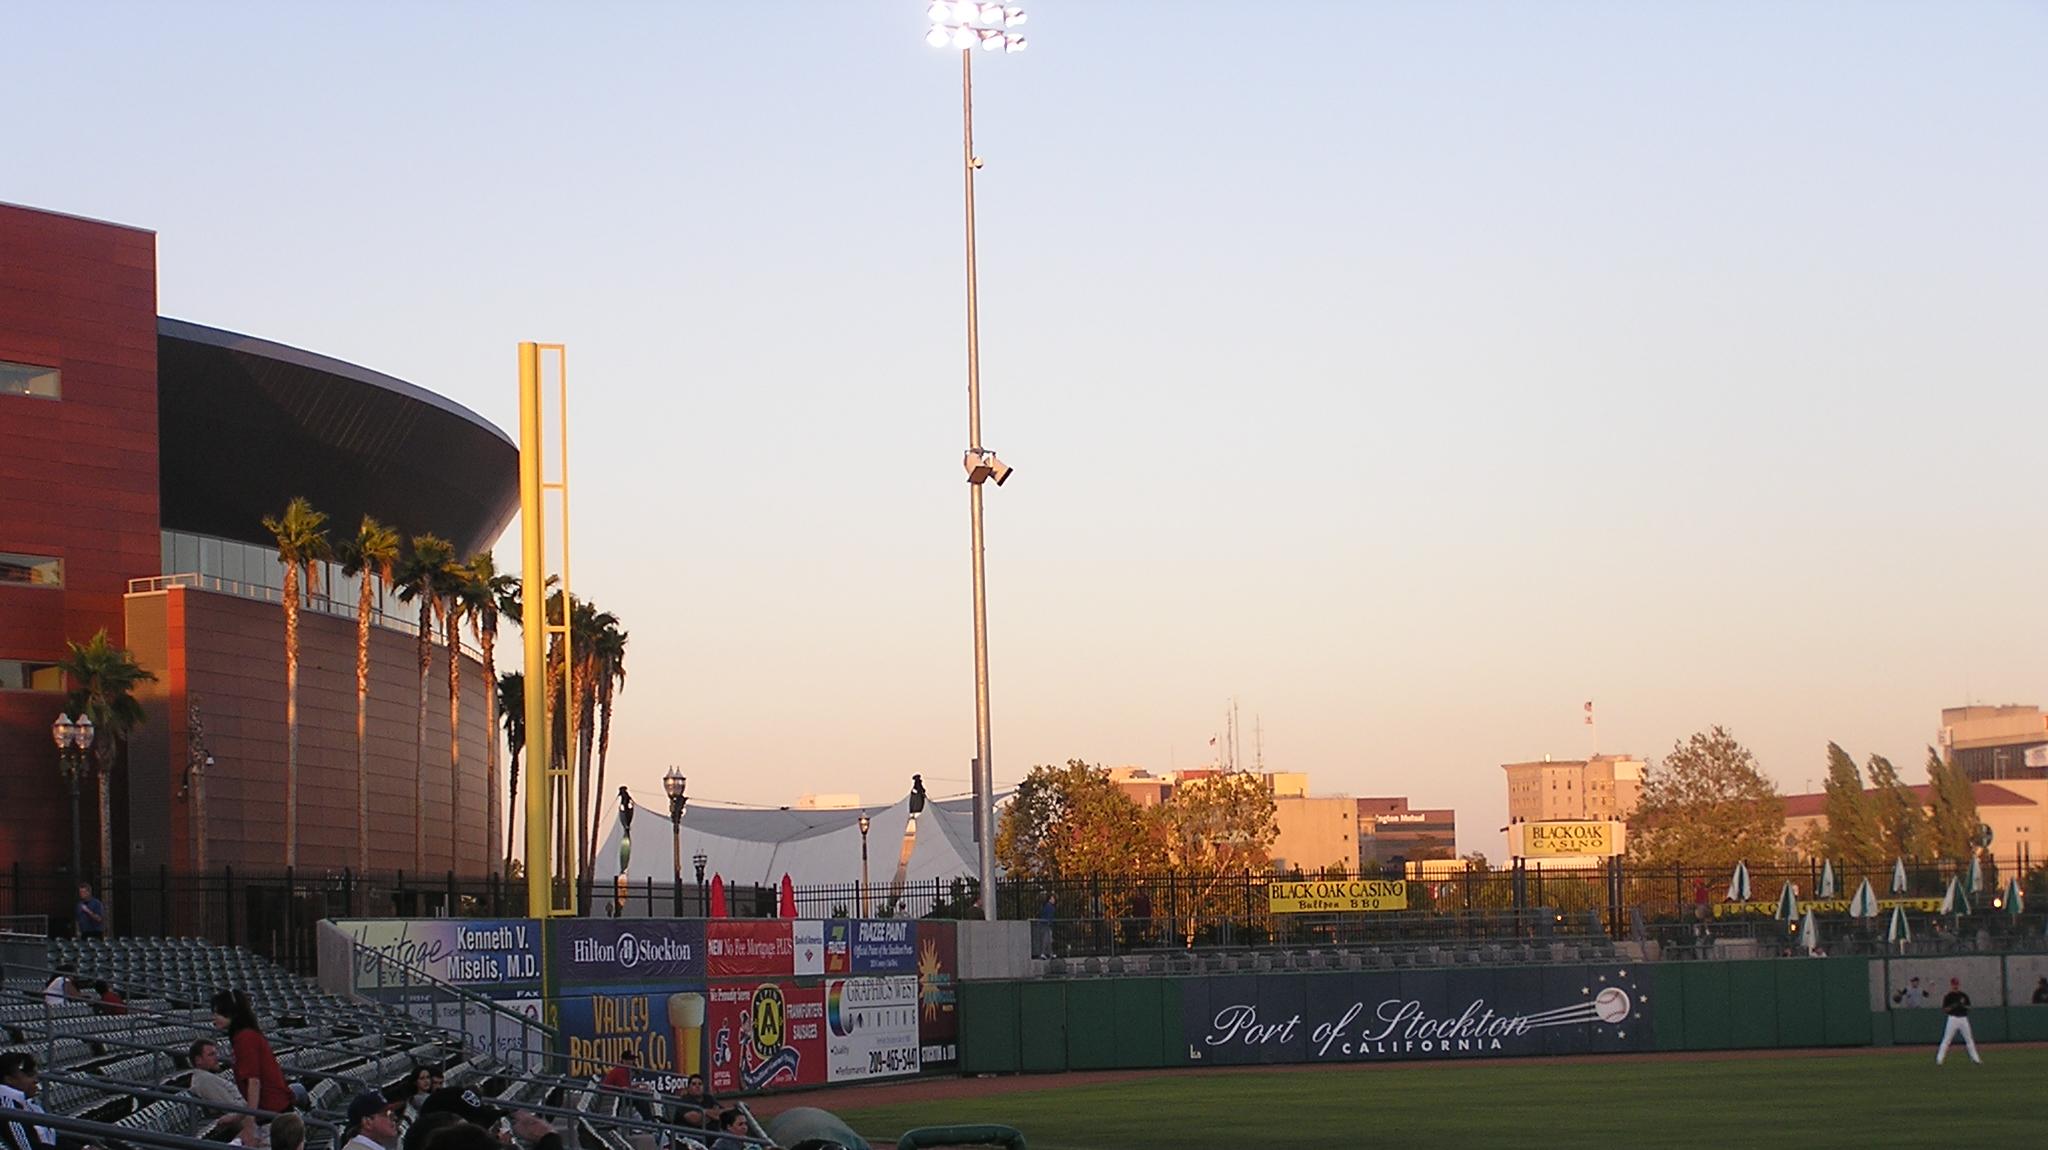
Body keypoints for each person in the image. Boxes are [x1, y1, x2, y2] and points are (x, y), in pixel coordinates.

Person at [212, 990, 291, 1147]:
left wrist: (248, 1128)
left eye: (218, 1012)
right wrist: (238, 1117)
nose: (213, 1017)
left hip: (273, 1120)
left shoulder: (245, 1038)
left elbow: (254, 1082)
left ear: (232, 1013)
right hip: (271, 1116)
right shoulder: (245, 1035)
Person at [177, 1039, 252, 1143]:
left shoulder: (207, 1077)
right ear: (198, 1060)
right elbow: (232, 1107)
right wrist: (251, 1101)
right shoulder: (205, 1080)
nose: (216, 1058)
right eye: (211, 1055)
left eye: (215, 1053)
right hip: (245, 1122)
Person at [0, 1051, 55, 1150]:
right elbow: (27, 1147)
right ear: (9, 1080)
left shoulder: (27, 1102)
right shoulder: (7, 1107)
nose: (36, 1080)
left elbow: (52, 1139)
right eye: (30, 1075)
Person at [1936, 977, 1980, 1065]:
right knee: (1947, 1039)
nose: (1955, 986)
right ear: (1951, 985)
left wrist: (1962, 1005)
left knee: (1969, 1039)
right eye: (1954, 984)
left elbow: (1969, 1007)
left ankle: (1976, 1059)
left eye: (1956, 984)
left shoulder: (1963, 995)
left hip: (1963, 1018)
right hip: (1953, 1018)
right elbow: (1945, 1009)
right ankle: (1939, 1059)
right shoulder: (1948, 996)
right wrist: (1954, 1006)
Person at [1032, 892, 1054, 960]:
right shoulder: (1049, 906)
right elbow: (1048, 916)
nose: (1054, 900)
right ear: (1049, 899)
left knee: (1049, 939)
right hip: (1046, 924)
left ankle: (1050, 953)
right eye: (1052, 898)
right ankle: (1043, 953)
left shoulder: (1046, 906)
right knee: (1046, 939)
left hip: (1044, 924)